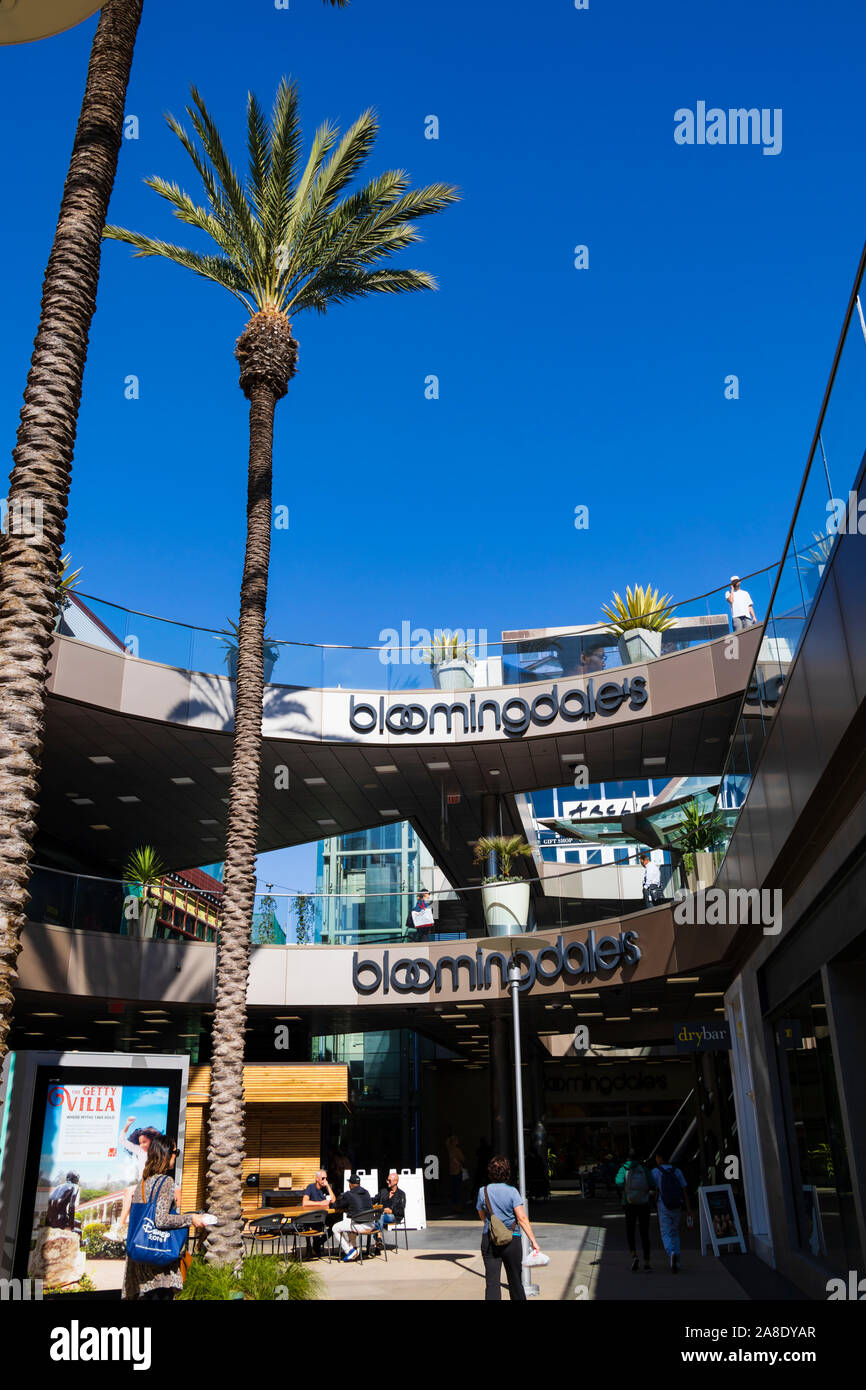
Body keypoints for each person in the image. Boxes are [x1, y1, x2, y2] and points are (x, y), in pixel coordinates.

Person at [122, 1134, 209, 1300]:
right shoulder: (166, 1182)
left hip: (140, 1255)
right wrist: (190, 1218)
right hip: (157, 1261)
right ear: (166, 1154)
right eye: (175, 1152)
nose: (176, 1156)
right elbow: (161, 1220)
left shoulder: (144, 1181)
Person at [476, 1155, 540, 1301]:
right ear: (507, 1172)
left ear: (490, 1172)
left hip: (490, 1239)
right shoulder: (512, 1192)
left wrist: (493, 1226)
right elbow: (522, 1219)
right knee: (515, 1281)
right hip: (512, 1240)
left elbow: (481, 1215)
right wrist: (533, 1241)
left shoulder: (483, 1191)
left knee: (492, 1283)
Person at [652, 1151, 693, 1274]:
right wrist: (689, 1208)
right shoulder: (677, 1171)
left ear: (659, 1158)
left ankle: (671, 1253)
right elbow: (684, 1190)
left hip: (663, 1205)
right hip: (677, 1205)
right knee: (675, 1231)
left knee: (665, 1232)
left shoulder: (655, 1172)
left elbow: (654, 1189)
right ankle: (677, 1261)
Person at [615, 1149, 654, 1271]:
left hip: (629, 1204)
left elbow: (619, 1182)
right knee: (644, 1232)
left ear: (627, 1158)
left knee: (630, 1230)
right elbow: (653, 1184)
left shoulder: (623, 1169)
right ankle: (647, 1262)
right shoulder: (644, 1169)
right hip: (644, 1204)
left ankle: (634, 1255)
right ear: (638, 1159)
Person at [331, 1172, 375, 1263]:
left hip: (360, 1225)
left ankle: (349, 1251)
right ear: (359, 1184)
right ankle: (353, 1248)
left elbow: (336, 1206)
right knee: (349, 1222)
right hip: (371, 1225)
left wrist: (333, 1201)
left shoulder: (349, 1194)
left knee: (335, 1228)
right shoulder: (366, 1192)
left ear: (350, 1185)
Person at [372, 1169, 406, 1252]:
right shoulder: (383, 1191)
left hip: (394, 1216)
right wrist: (363, 1200)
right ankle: (378, 1243)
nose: (387, 1182)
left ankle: (378, 1239)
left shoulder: (401, 1194)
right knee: (376, 1218)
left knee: (379, 1217)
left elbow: (401, 1211)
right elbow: (374, 1199)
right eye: (387, 1180)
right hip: (381, 1216)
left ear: (395, 1181)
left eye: (389, 1180)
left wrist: (392, 1211)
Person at [446, 1133, 465, 1210]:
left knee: (454, 1190)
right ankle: (457, 1206)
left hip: (452, 1172)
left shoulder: (450, 1149)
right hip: (457, 1171)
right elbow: (462, 1159)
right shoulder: (456, 1150)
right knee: (457, 1190)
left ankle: (455, 1205)